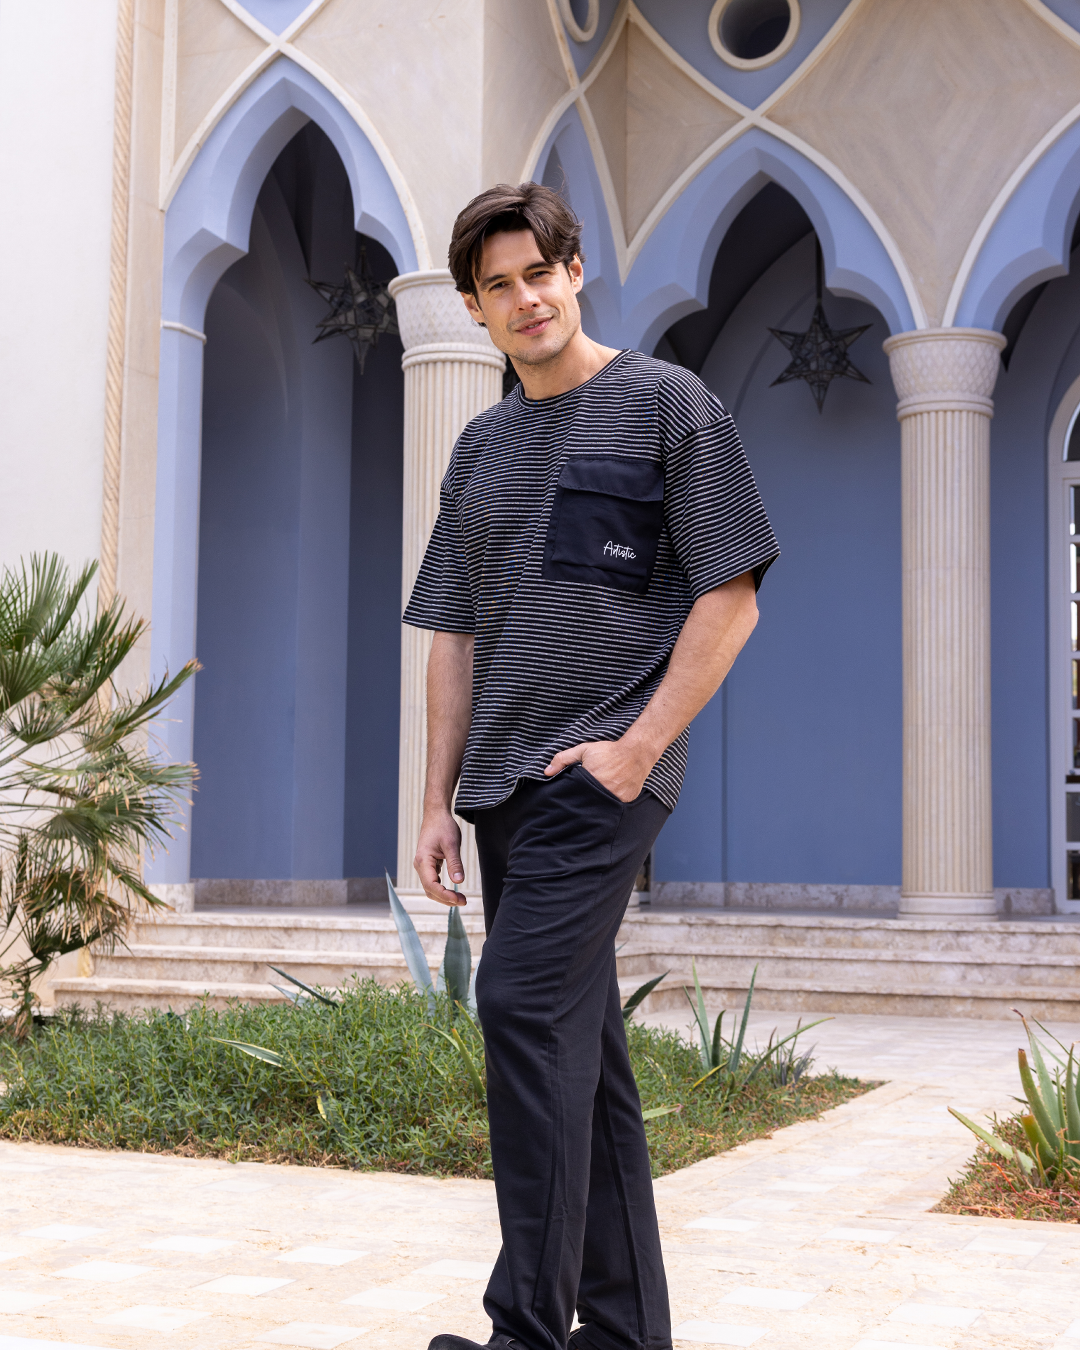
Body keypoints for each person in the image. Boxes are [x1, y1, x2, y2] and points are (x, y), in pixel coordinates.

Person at [403, 181, 779, 1350]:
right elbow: (454, 634)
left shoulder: (670, 405)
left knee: (518, 1004)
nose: (525, 299)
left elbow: (732, 594)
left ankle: (525, 1329)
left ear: (575, 272)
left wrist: (638, 747)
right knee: (583, 1046)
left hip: (601, 774)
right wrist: (435, 803)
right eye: (498, 286)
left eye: (539, 273)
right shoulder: (480, 447)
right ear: (475, 309)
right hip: (501, 787)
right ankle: (623, 1333)